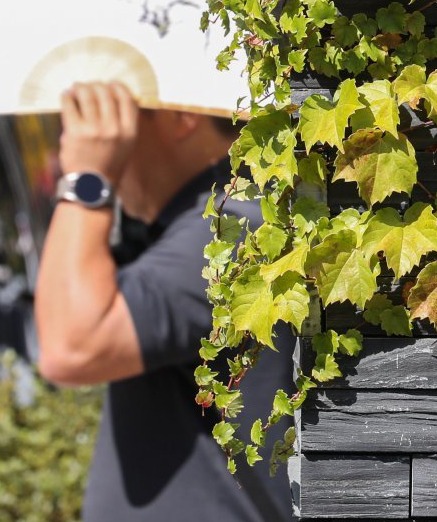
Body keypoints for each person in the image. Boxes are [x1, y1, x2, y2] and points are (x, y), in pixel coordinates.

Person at [34, 81, 295, 522]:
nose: (80, 134)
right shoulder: (224, 217)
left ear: (182, 115)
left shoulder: (226, 231)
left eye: (111, 109)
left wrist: (85, 181)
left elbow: (71, 347)